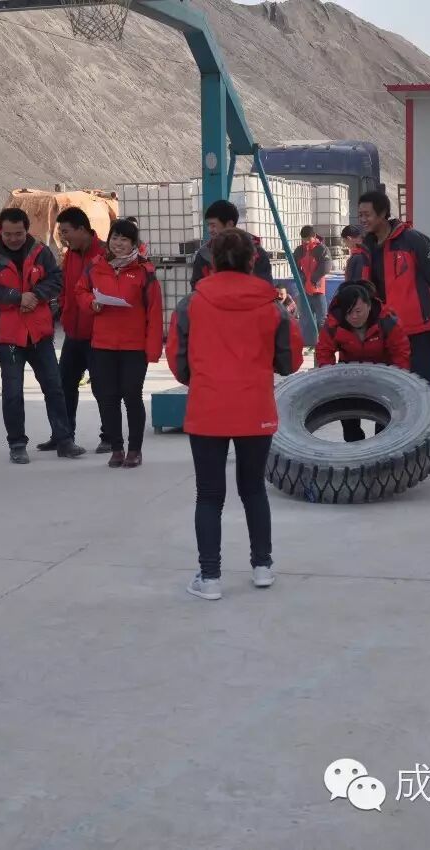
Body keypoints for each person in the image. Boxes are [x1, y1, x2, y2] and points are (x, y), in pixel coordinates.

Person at [167, 227, 303, 601]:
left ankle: (210, 576)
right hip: (254, 406)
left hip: (208, 407)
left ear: (211, 260)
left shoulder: (192, 303)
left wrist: (201, 379)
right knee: (253, 488)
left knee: (209, 495)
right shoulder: (271, 305)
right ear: (252, 260)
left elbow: (177, 359)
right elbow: (290, 360)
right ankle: (262, 567)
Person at [0, 207, 83, 463]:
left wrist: (35, 296)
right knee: (13, 392)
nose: (13, 239)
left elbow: (56, 280)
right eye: (8, 234)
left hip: (39, 333)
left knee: (54, 387)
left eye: (19, 233)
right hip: (8, 336)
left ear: (27, 230)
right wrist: (16, 298)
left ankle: (64, 439)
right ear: (0, 231)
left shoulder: (41, 252)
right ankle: (17, 444)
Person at [78, 218, 163, 469]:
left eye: (124, 239)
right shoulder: (95, 267)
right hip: (103, 344)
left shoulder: (145, 272)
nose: (118, 243)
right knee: (107, 397)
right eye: (114, 237)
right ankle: (116, 448)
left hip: (133, 346)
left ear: (133, 243)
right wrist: (91, 303)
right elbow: (80, 291)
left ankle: (134, 450)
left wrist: (153, 350)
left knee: (132, 395)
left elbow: (154, 312)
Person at [354, 190, 430, 385]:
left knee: (423, 389)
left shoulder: (413, 240)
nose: (362, 220)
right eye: (360, 215)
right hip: (386, 331)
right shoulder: (366, 248)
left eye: (367, 215)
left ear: (383, 213)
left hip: (419, 331)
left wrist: (429, 313)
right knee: (393, 391)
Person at [314, 283, 410, 442]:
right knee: (348, 418)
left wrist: (398, 381)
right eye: (348, 312)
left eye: (358, 311)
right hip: (349, 376)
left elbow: (401, 351)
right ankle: (355, 446)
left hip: (383, 377)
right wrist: (330, 379)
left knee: (386, 422)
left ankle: (381, 445)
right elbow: (324, 351)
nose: (354, 317)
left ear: (369, 305)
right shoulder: (333, 324)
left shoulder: (387, 321)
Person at [54, 206, 107, 453]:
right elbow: (65, 288)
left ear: (82, 229)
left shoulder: (105, 253)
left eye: (66, 231)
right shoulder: (71, 255)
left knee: (102, 387)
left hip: (97, 334)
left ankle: (109, 436)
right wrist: (64, 308)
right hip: (73, 333)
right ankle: (64, 436)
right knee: (65, 384)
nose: (63, 237)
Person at [188, 200, 274, 289]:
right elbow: (196, 286)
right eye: (208, 225)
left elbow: (265, 286)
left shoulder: (257, 253)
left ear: (229, 224)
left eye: (213, 225)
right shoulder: (204, 254)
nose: (209, 230)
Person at [294, 224, 331, 332]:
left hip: (318, 289)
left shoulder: (322, 249)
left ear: (314, 236)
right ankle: (307, 340)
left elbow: (326, 266)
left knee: (322, 319)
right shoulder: (299, 250)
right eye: (304, 239)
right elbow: (294, 266)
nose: (306, 241)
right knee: (305, 319)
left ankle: (323, 340)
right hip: (304, 290)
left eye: (308, 239)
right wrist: (302, 278)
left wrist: (313, 279)